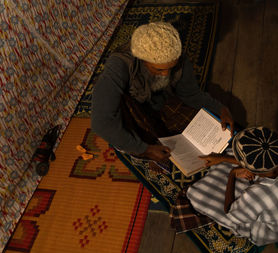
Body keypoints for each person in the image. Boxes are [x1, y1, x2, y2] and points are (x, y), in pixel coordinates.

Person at [91, 22, 234, 163]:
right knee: (133, 137)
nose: (166, 75)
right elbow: (101, 123)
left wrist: (220, 108)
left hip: (159, 102)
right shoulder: (120, 65)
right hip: (131, 109)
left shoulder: (177, 57)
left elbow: (191, 94)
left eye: (171, 67)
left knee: (204, 126)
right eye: (159, 70)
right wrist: (144, 149)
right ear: (143, 60)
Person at [187, 127, 278, 246]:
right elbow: (261, 161)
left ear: (252, 170)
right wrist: (222, 158)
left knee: (195, 196)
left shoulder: (257, 194)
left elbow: (229, 211)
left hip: (272, 232)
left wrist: (232, 174)